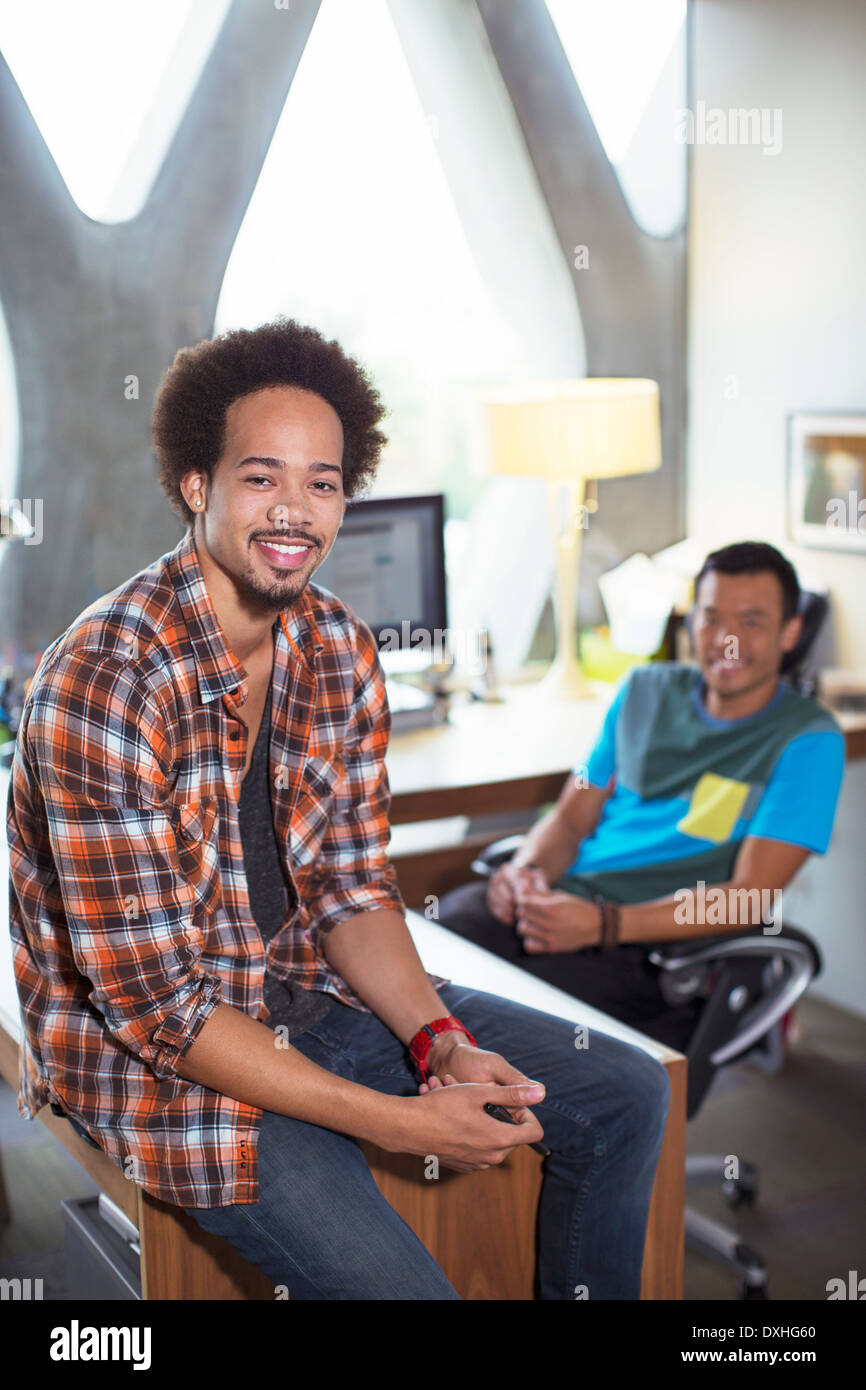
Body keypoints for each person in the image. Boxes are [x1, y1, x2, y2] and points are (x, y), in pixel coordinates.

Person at [7, 317, 669, 1301]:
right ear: (198, 485)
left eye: (321, 482)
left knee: (622, 1090)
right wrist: (397, 1118)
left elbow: (349, 887)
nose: (295, 509)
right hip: (157, 1057)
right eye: (261, 476)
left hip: (295, 993)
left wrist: (435, 1043)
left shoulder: (337, 646)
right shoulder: (107, 682)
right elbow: (163, 1012)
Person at [438, 543, 845, 1053]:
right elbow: (568, 820)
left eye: (752, 622)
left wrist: (606, 925)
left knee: (497, 1029)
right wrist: (524, 872)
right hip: (562, 900)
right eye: (712, 617)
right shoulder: (643, 691)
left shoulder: (809, 740)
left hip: (645, 946)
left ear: (791, 632)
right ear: (690, 621)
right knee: (426, 958)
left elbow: (751, 898)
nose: (727, 641)